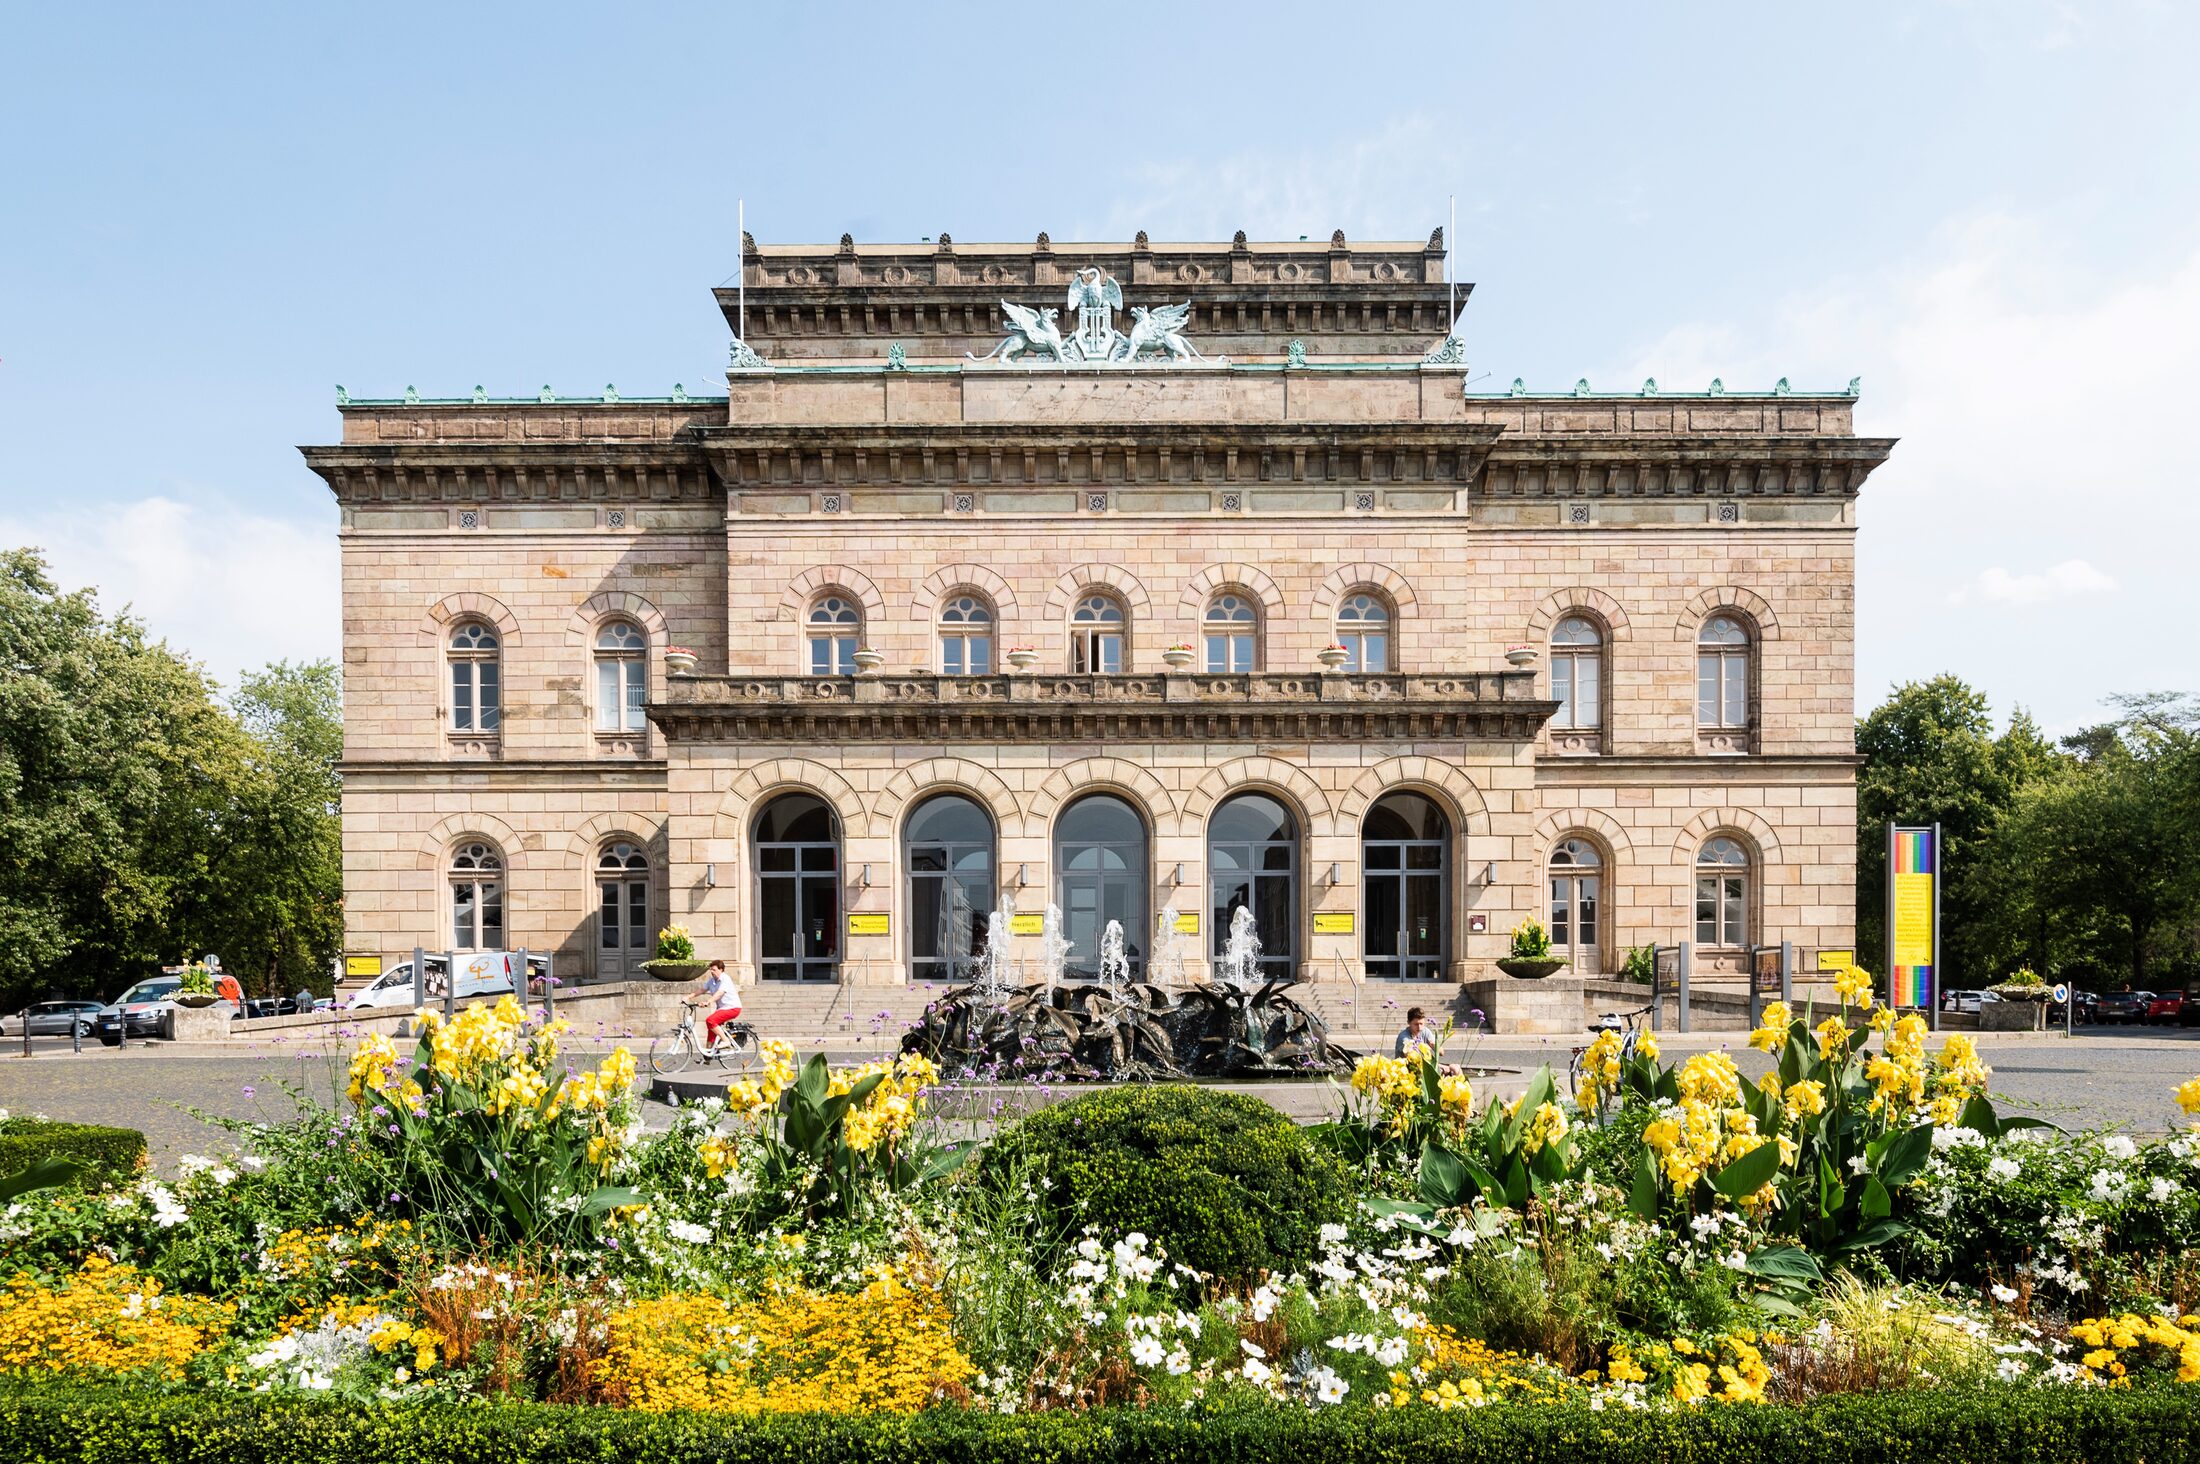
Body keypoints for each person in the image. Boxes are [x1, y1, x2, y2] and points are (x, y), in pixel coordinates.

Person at [690, 959, 742, 1049]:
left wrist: (708, 1001)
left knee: (710, 1020)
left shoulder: (725, 979)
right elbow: (702, 990)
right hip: (722, 1009)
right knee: (711, 1028)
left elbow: (720, 993)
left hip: (733, 1008)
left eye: (714, 969)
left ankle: (726, 1041)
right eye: (711, 969)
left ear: (721, 970)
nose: (711, 971)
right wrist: (689, 997)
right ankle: (708, 1053)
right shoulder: (711, 980)